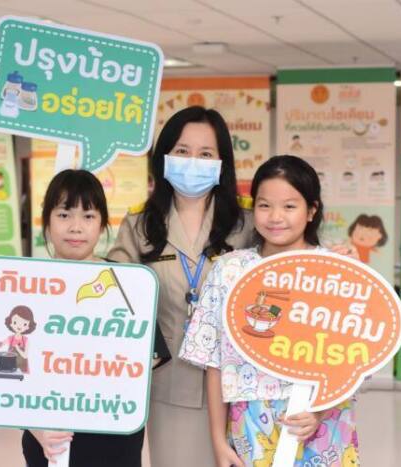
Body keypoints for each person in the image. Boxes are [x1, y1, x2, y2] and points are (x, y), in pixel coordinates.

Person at [180, 155, 360, 467]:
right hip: (251, 420)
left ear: (311, 210)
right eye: (264, 205)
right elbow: (214, 361)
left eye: (289, 206)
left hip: (323, 420)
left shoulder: (334, 270)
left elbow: (357, 355)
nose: (276, 217)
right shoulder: (230, 270)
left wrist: (319, 411)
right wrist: (218, 440)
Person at [107, 106, 255, 467]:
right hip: (169, 383)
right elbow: (112, 292)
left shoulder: (248, 222)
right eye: (182, 151)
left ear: (221, 162)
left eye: (205, 154)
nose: (193, 162)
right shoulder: (140, 224)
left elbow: (288, 266)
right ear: (164, 157)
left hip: (241, 387)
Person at [22, 169, 170, 467]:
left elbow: (150, 357)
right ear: (46, 222)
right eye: (64, 214)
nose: (76, 227)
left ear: (102, 224)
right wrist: (36, 427)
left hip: (114, 436)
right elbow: (8, 368)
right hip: (47, 436)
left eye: (88, 216)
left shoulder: (126, 284)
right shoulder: (24, 284)